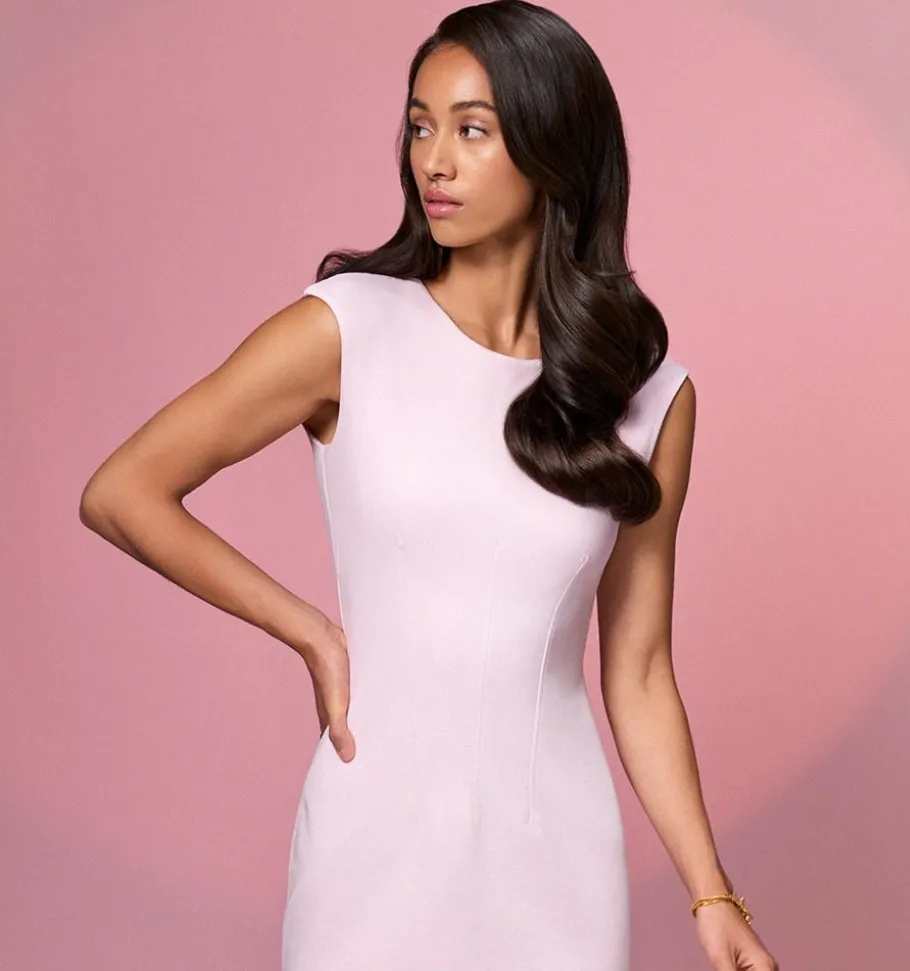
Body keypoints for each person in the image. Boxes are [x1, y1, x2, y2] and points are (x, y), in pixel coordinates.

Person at [79, 2, 780, 969]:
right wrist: (310, 631)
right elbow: (123, 491)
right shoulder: (346, 328)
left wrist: (711, 893)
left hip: (557, 857)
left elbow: (642, 669)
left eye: (471, 130)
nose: (433, 162)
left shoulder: (648, 394)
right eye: (419, 126)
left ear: (553, 149)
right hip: (374, 842)